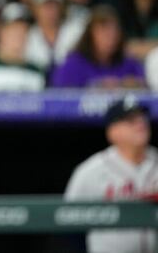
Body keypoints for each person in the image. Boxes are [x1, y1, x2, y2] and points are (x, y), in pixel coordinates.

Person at [65, 96, 158, 253]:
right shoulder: (90, 171)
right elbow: (66, 221)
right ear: (112, 132)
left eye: (142, 117)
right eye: (130, 120)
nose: (140, 124)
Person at [51, 6, 145, 88]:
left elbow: (145, 89)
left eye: (114, 30)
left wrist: (130, 86)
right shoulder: (74, 63)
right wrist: (95, 86)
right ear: (90, 34)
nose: (111, 36)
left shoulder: (128, 63)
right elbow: (60, 96)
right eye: (104, 31)